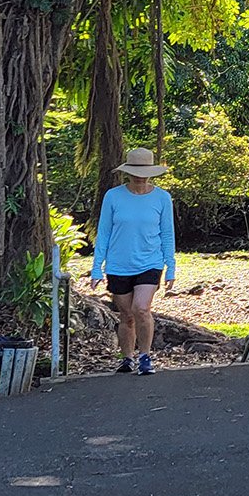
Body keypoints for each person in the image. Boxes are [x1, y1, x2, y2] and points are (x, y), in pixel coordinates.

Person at [90, 147, 177, 375]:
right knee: (127, 315)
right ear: (127, 172)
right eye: (135, 171)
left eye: (144, 171)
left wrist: (171, 267)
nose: (140, 176)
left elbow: (167, 233)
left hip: (150, 262)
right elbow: (104, 232)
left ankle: (145, 356)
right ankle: (127, 358)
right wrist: (96, 267)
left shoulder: (162, 198)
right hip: (119, 264)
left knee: (141, 308)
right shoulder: (113, 196)